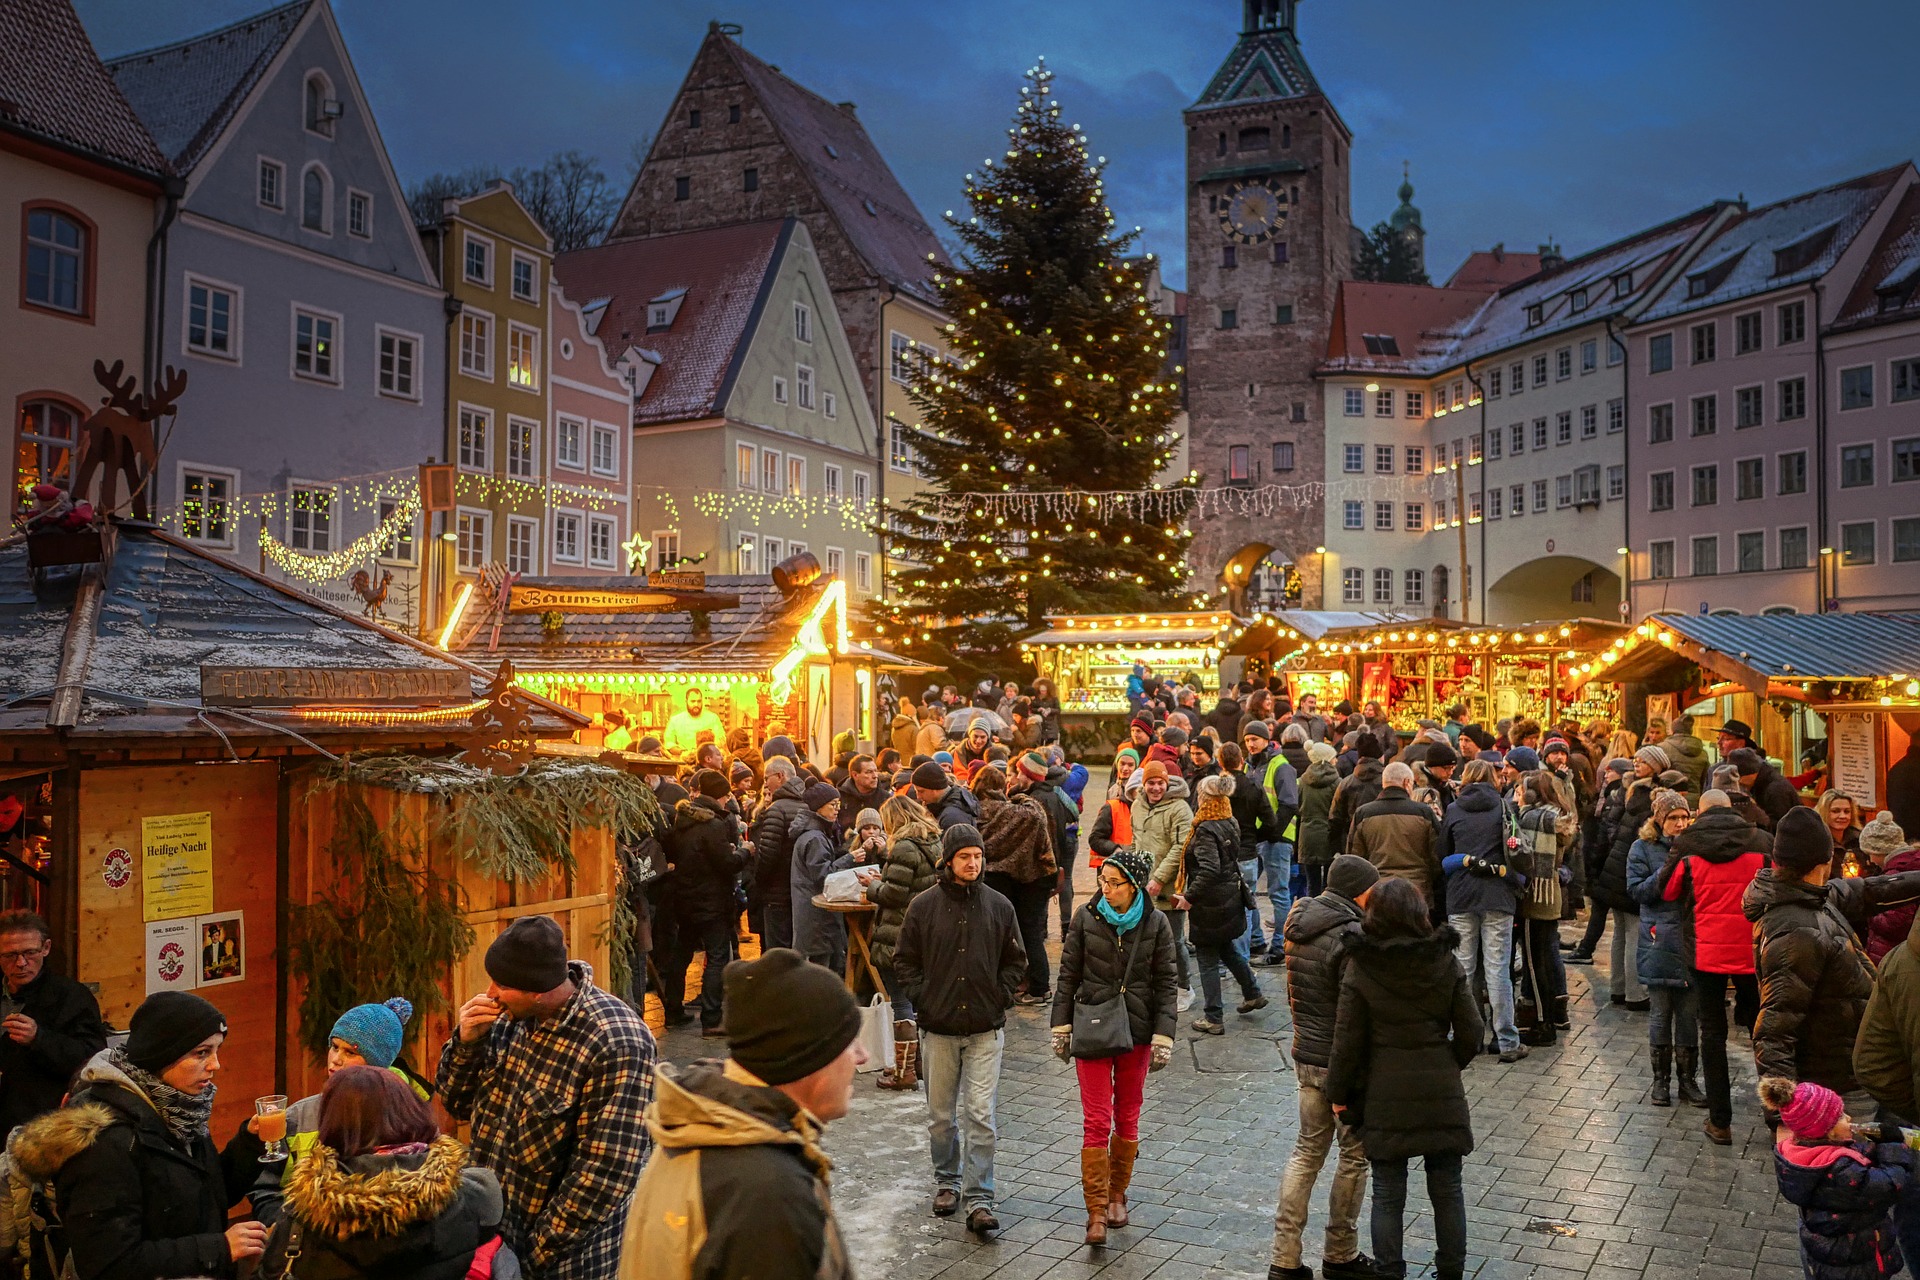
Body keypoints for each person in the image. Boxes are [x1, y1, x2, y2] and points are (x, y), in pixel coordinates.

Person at [620, 948, 863, 1279]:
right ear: (809, 1059)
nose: (861, 1056)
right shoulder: (768, 1195)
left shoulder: (699, 1127)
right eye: (849, 1043)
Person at [438, 916, 655, 1279]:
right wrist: (467, 1043)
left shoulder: (617, 1042)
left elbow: (605, 1176)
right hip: (496, 1243)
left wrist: (529, 1260)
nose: (490, 994)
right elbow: (457, 1102)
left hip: (565, 1261)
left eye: (502, 985)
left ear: (538, 990)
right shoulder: (509, 1018)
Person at [16, 991, 269, 1278]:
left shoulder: (179, 1109)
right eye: (201, 1053)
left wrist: (249, 1144)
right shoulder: (106, 1141)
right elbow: (108, 1264)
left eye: (216, 1050)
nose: (215, 1065)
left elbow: (201, 1198)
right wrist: (218, 1248)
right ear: (163, 1053)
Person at [1326, 878, 1481, 1280]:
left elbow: (1347, 1042)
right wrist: (1447, 1063)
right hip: (1440, 1088)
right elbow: (1472, 1032)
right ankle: (1451, 1272)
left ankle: (1390, 1272)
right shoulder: (1444, 960)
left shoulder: (1362, 964)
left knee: (1388, 1193)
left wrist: (1339, 1095)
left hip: (1383, 1091)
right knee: (1447, 1190)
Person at [893, 824, 1026, 1238]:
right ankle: (947, 1181)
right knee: (940, 1117)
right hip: (940, 1028)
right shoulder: (923, 906)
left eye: (978, 856)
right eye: (965, 856)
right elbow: (904, 961)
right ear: (948, 860)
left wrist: (998, 997)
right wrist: (924, 998)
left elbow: (1016, 962)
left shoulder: (1000, 906)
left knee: (981, 1115)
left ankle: (980, 1197)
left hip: (986, 1029)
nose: (973, 863)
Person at [1746, 809, 1920, 1125]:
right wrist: (1785, 1117)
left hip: (1848, 1075)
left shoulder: (1812, 896)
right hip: (1835, 1087)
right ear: (1824, 860)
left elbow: (1872, 890)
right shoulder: (1794, 930)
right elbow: (1774, 1031)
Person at [258, 1065, 510, 1278]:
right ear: (412, 1110)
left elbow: (271, 1271)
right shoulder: (473, 1196)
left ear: (331, 1124)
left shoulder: (301, 1217)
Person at [1050, 848, 1177, 1246]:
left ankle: (1119, 1194)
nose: (1105, 889)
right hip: (1092, 1027)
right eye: (1102, 881)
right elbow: (1068, 974)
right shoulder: (1086, 918)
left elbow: (1167, 983)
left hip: (1137, 1031)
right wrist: (1060, 1025)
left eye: (1113, 882)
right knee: (1096, 1119)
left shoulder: (1156, 923)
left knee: (1127, 1114)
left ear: (1134, 884)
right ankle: (1095, 1209)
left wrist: (1164, 1034)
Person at [1270, 855, 1381, 1280]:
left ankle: (1284, 1259)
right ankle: (1340, 1253)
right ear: (1358, 890)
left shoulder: (1300, 919)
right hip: (1341, 1063)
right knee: (1354, 1156)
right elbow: (1353, 1013)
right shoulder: (1350, 935)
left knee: (1306, 1152)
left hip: (1306, 1056)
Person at [1661, 790, 1769, 1143]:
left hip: (1705, 952)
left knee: (1712, 1034)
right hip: (1752, 951)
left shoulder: (1687, 844)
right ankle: (1775, 1117)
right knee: (1762, 1032)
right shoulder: (1761, 841)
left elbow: (1668, 890)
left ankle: (1720, 1121)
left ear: (1700, 812)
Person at [1760, 1076, 1913, 1280]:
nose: (1848, 1117)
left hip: (1827, 1254)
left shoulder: (1803, 1154)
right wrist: (1892, 1146)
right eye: (1840, 1116)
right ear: (1828, 1132)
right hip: (1853, 1262)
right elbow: (1889, 1185)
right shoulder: (1840, 1171)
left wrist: (1872, 1148)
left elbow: (1857, 1165)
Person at [1438, 759, 1527, 1062]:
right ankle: (1506, 1039)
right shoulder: (1504, 808)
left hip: (1461, 894)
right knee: (1498, 969)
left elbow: (1442, 853)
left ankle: (1465, 1035)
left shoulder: (1453, 809)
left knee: (1462, 969)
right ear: (1492, 778)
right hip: (1498, 893)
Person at [0, 909, 106, 1137]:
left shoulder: (70, 997)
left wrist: (39, 1038)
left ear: (46, 948)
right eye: (10, 955)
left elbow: (93, 1059)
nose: (21, 963)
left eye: (30, 953)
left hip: (41, 1126)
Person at [1627, 791, 1703, 1106]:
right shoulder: (1642, 848)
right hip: (1658, 939)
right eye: (1674, 818)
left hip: (1690, 939)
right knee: (1660, 1013)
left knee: (1688, 1015)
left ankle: (1688, 1081)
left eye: (1685, 817)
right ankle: (1661, 1081)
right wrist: (1665, 871)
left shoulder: (1697, 847)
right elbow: (1636, 891)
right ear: (1660, 820)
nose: (1680, 823)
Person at [661, 770, 750, 1034]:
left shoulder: (681, 819)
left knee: (681, 955)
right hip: (711, 902)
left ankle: (673, 1012)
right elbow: (727, 864)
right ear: (719, 797)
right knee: (717, 956)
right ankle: (711, 1019)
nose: (726, 803)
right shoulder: (712, 825)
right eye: (725, 798)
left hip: (684, 899)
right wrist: (746, 852)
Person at [1184, 773, 1268, 1035]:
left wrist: (1189, 896)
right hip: (1228, 898)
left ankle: (1213, 1016)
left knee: (1208, 959)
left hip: (1210, 904)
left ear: (1204, 798)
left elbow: (1209, 869)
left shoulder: (1206, 828)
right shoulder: (1229, 821)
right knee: (1227, 948)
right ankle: (1253, 993)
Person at [870, 794, 942, 1091]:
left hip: (898, 933)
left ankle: (904, 1072)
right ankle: (922, 1063)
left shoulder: (903, 846)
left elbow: (893, 894)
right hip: (926, 933)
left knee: (900, 1001)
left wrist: (873, 886)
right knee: (919, 1001)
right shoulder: (934, 841)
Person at [973, 766, 1058, 1006]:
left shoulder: (973, 811)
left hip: (991, 880)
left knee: (997, 935)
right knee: (1031, 933)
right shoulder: (1019, 811)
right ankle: (1040, 987)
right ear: (1001, 787)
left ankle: (1004, 986)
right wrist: (1020, 794)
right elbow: (1036, 816)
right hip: (1028, 879)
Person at [1513, 771, 1576, 1045]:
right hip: (1551, 893)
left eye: (1520, 790)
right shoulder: (1556, 817)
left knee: (1533, 962)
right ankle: (1549, 1016)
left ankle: (1541, 1022)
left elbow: (1523, 857)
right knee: (1544, 959)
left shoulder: (1531, 818)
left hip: (1534, 897)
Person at [1131, 760, 1196, 1011]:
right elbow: (1137, 842)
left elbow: (1181, 848)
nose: (1156, 788)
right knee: (1148, 938)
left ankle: (1184, 988)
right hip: (1144, 887)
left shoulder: (1180, 809)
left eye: (1160, 783)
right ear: (1144, 784)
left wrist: (1159, 878)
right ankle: (1156, 984)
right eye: (1151, 783)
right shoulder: (1137, 805)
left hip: (1171, 887)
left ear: (1166, 783)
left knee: (1174, 940)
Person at [1348, 762, 1442, 912]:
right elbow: (1437, 856)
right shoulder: (1424, 813)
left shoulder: (1363, 813)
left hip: (1377, 891)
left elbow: (1356, 857)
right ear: (1407, 782)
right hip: (1417, 892)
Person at [1242, 724, 1300, 956]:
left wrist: (1274, 831)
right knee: (1249, 892)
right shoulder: (1250, 766)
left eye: (1255, 739)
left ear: (1267, 740)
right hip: (1256, 837)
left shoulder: (1280, 765)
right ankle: (1256, 940)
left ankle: (1279, 946)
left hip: (1277, 838)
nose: (1251, 744)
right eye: (1247, 740)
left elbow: (1289, 804)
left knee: (1278, 893)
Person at [1218, 741, 1279, 960]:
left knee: (1224, 909)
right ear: (1241, 761)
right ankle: (1244, 955)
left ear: (1220, 762)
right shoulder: (1253, 787)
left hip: (1221, 854)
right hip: (1247, 853)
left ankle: (1228, 960)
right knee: (1246, 904)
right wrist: (1253, 836)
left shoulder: (1216, 788)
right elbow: (1271, 822)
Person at [789, 782, 855, 973]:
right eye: (833, 805)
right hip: (816, 916)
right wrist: (850, 858)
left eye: (838, 805)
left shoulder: (814, 834)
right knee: (819, 972)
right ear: (819, 807)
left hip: (811, 914)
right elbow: (824, 877)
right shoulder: (815, 838)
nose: (837, 810)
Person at [749, 761, 809, 951]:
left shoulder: (777, 809)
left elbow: (767, 854)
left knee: (777, 951)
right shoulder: (808, 804)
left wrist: (759, 880)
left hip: (776, 892)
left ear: (781, 776)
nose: (766, 784)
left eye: (767, 778)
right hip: (800, 891)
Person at [1865, 814, 1919, 962]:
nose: (1869, 860)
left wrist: (1867, 909)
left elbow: (1895, 924)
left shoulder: (1896, 874)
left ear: (1879, 851)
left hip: (1891, 953)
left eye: (1869, 853)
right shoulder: (1906, 865)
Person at [1295, 741, 1342, 904]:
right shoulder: (1338, 782)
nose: (1336, 761)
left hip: (1307, 836)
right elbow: (1339, 812)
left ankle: (1312, 915)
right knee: (1329, 884)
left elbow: (1297, 808)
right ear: (1328, 759)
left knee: (1312, 883)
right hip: (1329, 837)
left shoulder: (1302, 781)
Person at [1328, 733, 1385, 854]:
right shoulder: (1388, 781)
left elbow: (1335, 819)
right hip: (1383, 842)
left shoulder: (1346, 783)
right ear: (1380, 757)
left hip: (1353, 843)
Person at [1729, 746, 1802, 830]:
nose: (1738, 783)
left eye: (1738, 778)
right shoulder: (1758, 784)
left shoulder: (1776, 790)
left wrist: (1755, 812)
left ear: (1750, 773)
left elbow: (1780, 828)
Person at [912, 759, 981, 832]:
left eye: (921, 791)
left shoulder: (952, 817)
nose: (918, 797)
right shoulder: (948, 807)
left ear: (935, 788)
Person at [1816, 788, 1869, 878]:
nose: (1843, 816)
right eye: (1835, 811)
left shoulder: (1860, 839)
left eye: (1847, 811)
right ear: (1824, 812)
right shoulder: (1817, 842)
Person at [663, 687, 726, 758]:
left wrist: (705, 751)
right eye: (693, 701)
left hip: (707, 761)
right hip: (683, 761)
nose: (696, 704)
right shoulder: (676, 720)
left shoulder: (712, 718)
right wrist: (684, 753)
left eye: (699, 701)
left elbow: (720, 740)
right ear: (686, 701)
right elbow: (669, 743)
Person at [836, 754, 888, 839]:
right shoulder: (839, 798)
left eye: (875, 771)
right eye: (869, 772)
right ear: (855, 775)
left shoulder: (885, 799)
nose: (875, 776)